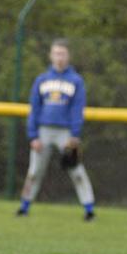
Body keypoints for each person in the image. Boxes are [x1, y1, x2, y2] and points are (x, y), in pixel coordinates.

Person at [16, 39, 96, 221]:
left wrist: (75, 135)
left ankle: (89, 209)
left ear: (68, 56)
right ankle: (24, 206)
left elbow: (77, 109)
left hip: (66, 133)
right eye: (56, 53)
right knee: (35, 170)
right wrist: (33, 135)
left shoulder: (76, 81)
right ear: (50, 55)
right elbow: (34, 109)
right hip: (43, 131)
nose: (59, 57)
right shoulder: (42, 80)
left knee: (76, 170)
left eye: (63, 53)